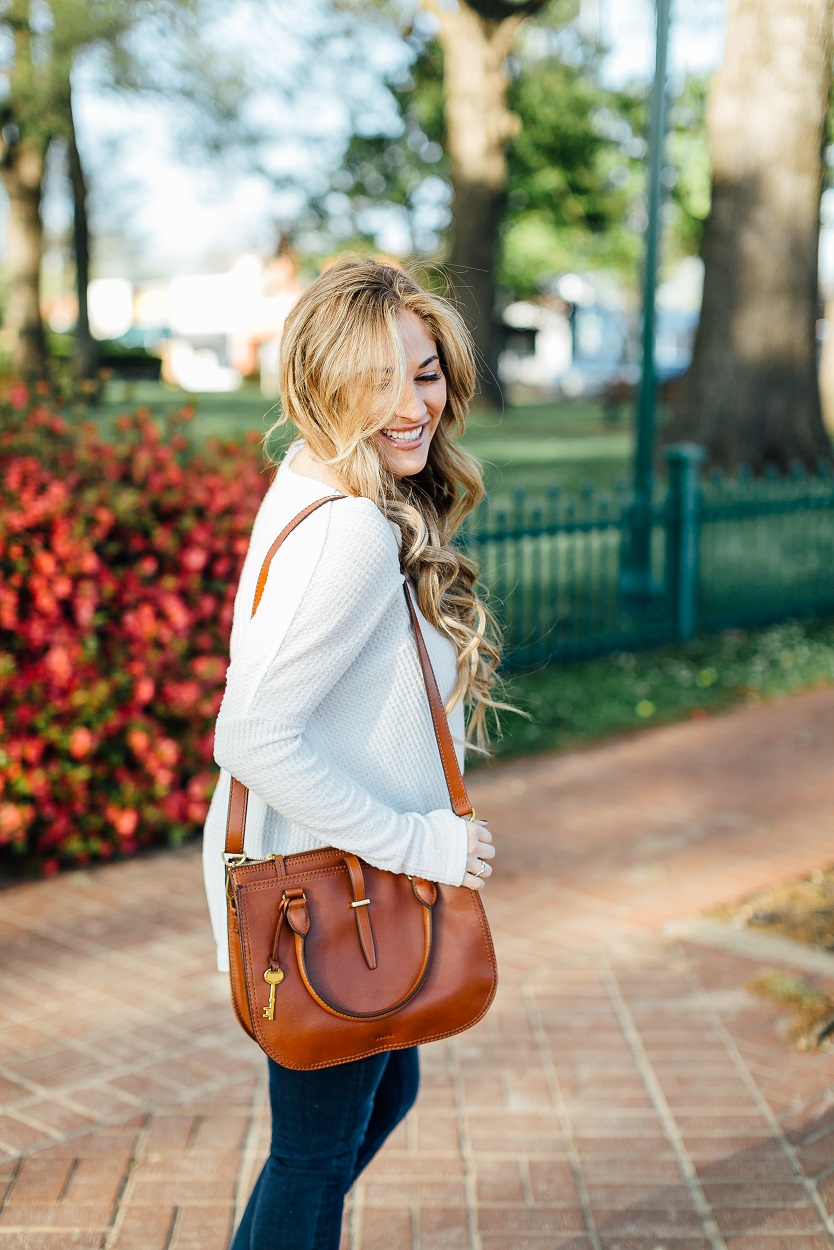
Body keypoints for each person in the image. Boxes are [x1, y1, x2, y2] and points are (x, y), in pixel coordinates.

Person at [202, 256, 503, 1250]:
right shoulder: (353, 535)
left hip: (322, 876)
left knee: (382, 1091)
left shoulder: (312, 480)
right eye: (379, 380)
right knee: (313, 1157)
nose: (414, 404)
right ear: (325, 385)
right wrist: (422, 842)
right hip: (334, 888)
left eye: (425, 372)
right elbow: (251, 734)